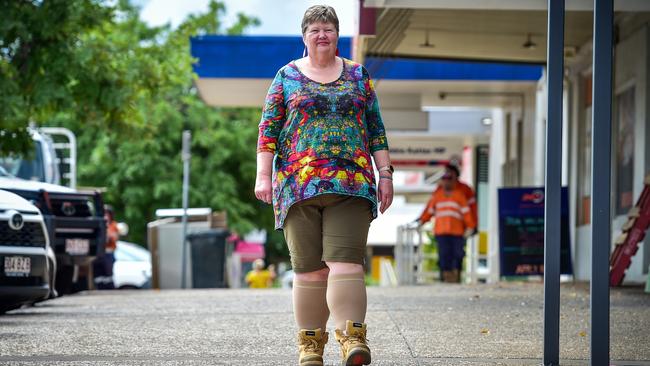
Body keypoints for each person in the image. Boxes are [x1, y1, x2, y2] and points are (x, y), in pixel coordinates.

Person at [254, 5, 393, 366]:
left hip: (351, 183)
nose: (322, 35)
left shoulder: (358, 76)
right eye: (314, 29)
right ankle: (311, 347)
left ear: (337, 35)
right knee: (309, 270)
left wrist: (386, 174)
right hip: (297, 187)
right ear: (304, 37)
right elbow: (267, 130)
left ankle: (353, 339)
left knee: (346, 263)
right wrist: (262, 176)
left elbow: (376, 129)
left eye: (328, 29)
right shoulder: (286, 76)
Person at [417, 166, 476, 283]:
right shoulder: (437, 195)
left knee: (458, 254)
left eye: (449, 178)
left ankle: (456, 276)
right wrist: (421, 221)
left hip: (457, 232)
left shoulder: (460, 195)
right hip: (441, 232)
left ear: (454, 180)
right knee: (444, 255)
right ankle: (447, 278)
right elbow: (429, 211)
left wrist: (470, 226)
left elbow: (467, 213)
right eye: (444, 178)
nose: (446, 181)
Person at [93, 205, 118, 289]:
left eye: (107, 214)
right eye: (104, 214)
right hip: (99, 253)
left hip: (108, 253)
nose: (105, 216)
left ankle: (109, 289)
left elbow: (112, 238)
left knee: (108, 274)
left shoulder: (113, 225)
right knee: (98, 274)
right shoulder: (97, 224)